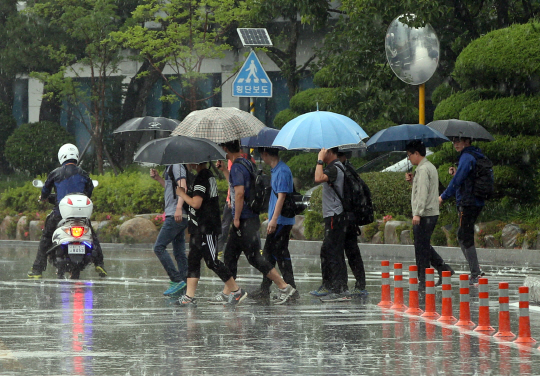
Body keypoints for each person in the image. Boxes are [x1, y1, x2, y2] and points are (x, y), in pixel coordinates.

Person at [214, 140, 296, 305]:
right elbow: (237, 184)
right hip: (249, 218)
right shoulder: (245, 162)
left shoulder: (237, 166)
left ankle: (285, 287)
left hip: (244, 219)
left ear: (224, 148)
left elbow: (239, 193)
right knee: (230, 255)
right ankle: (228, 291)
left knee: (255, 259)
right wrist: (224, 171)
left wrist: (236, 218)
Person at [27, 143, 107, 279]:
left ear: (61, 157)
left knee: (46, 237)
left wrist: (44, 197)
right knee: (93, 236)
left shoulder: (56, 173)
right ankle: (99, 264)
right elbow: (89, 191)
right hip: (81, 216)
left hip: (60, 214)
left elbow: (45, 190)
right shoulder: (83, 173)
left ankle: (37, 269)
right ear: (76, 156)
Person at [175, 161, 247, 306]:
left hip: (206, 227)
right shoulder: (206, 176)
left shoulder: (203, 177)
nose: (188, 164)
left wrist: (182, 194)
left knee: (212, 261)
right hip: (197, 227)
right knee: (193, 260)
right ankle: (189, 297)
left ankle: (237, 290)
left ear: (196, 162)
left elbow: (196, 203)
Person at [249, 147, 298, 302]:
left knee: (281, 255)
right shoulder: (275, 170)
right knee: (269, 255)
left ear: (265, 154)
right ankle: (265, 288)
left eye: (262, 155)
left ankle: (291, 288)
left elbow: (282, 197)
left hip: (281, 220)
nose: (262, 158)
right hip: (278, 220)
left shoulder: (282, 171)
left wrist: (274, 219)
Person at [405, 140, 454, 288]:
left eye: (409, 155)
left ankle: (424, 278)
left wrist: (418, 213)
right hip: (429, 213)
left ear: (417, 153)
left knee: (421, 247)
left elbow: (423, 193)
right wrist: (413, 180)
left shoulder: (423, 169)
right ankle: (443, 269)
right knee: (423, 244)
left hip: (425, 214)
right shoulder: (426, 167)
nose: (408, 158)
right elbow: (424, 187)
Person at [439, 137, 486, 285]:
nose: (455, 144)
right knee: (462, 235)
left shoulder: (466, 157)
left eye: (459, 141)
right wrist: (457, 172)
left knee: (465, 237)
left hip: (467, 202)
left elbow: (457, 181)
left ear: (467, 141)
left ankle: (475, 273)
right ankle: (475, 268)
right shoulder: (475, 155)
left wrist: (443, 197)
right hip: (475, 200)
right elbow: (466, 178)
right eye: (454, 142)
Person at [311, 147, 350, 302]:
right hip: (334, 215)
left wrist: (319, 160)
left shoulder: (334, 167)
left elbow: (318, 178)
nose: (321, 152)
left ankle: (337, 288)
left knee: (332, 251)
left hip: (335, 215)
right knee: (330, 251)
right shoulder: (335, 167)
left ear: (330, 152)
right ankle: (334, 285)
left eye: (323, 150)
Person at [150, 164, 188, 297]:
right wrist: (159, 179)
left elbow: (183, 187)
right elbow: (171, 189)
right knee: (179, 252)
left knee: (158, 247)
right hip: (177, 214)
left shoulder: (176, 166)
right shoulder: (170, 167)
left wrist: (178, 208)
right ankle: (184, 285)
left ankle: (176, 280)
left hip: (176, 215)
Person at [335, 151, 368, 297]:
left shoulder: (343, 171)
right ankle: (359, 283)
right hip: (351, 217)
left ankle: (345, 285)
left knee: (344, 251)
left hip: (345, 217)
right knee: (351, 251)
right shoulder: (350, 169)